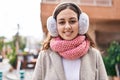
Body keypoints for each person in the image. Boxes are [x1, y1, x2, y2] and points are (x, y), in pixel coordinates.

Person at [32, 2, 108, 80]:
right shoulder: (44, 56)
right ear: (54, 27)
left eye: (72, 21)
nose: (67, 26)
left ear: (81, 24)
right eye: (62, 22)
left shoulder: (94, 55)